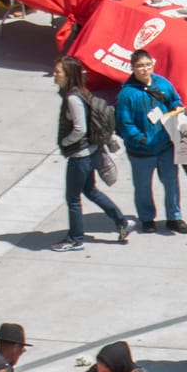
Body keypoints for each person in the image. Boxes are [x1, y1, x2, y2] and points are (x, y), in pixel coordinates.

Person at [49, 56, 129, 252]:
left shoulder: (72, 98)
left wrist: (64, 142)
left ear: (68, 75)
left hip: (80, 156)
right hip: (91, 152)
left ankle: (75, 239)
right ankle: (121, 221)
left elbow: (79, 129)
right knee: (90, 191)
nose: (55, 74)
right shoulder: (81, 93)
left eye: (58, 71)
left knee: (73, 199)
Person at [115, 50, 186, 234]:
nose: (145, 69)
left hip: (165, 147)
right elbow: (125, 123)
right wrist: (142, 139)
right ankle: (147, 219)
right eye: (140, 66)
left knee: (171, 182)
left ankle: (174, 218)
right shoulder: (126, 94)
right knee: (143, 187)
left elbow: (175, 100)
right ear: (132, 68)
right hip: (141, 152)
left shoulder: (163, 84)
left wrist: (178, 109)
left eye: (147, 65)